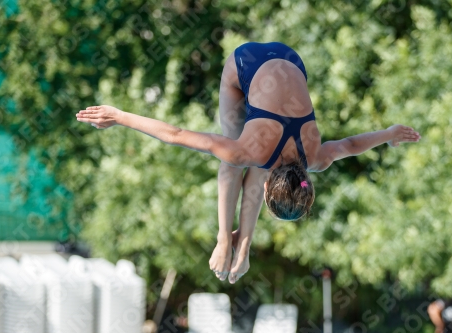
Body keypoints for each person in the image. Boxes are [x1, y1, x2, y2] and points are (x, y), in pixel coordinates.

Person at [76, 42, 421, 283]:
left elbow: (351, 143)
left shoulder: (317, 158)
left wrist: (388, 133)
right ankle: (228, 239)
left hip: (290, 58)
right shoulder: (251, 152)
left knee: (249, 157)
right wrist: (119, 116)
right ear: (271, 185)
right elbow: (177, 134)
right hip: (244, 64)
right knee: (233, 162)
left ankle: (241, 243)